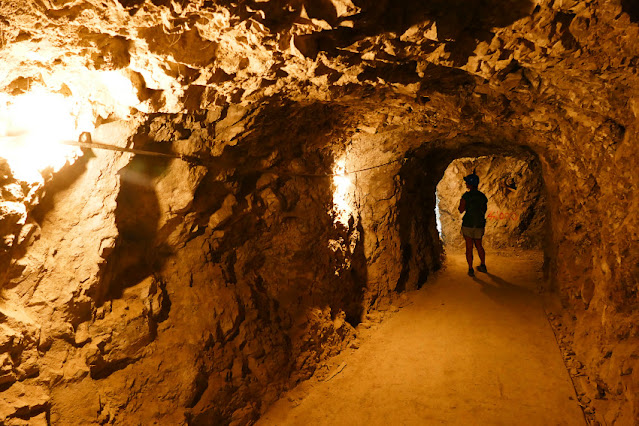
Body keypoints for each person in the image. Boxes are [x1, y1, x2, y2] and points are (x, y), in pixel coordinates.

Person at [458, 171, 488, 277]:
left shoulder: (466, 196)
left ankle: (470, 269)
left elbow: (461, 210)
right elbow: (484, 210)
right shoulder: (482, 196)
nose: (466, 184)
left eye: (467, 183)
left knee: (469, 247)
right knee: (479, 245)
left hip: (468, 223)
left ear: (470, 184)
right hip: (479, 223)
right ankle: (483, 265)